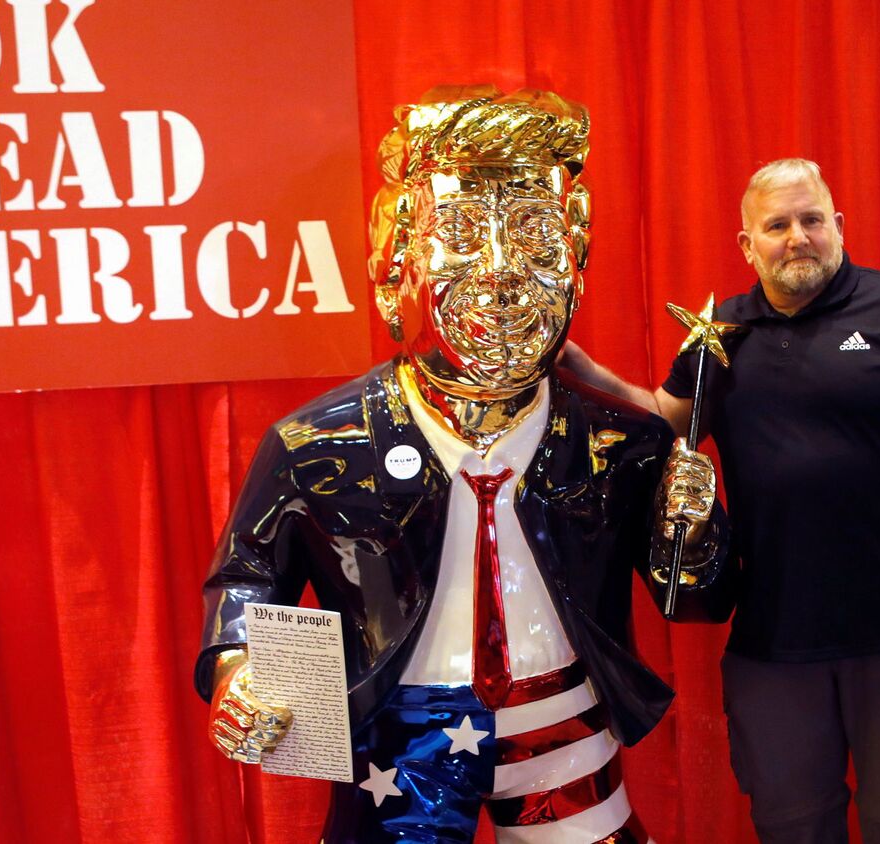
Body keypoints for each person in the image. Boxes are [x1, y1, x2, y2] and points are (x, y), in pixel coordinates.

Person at [196, 88, 732, 843]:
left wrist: (696, 533)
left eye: (538, 239)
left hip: (563, 726)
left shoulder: (623, 444)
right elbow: (247, 578)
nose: (503, 274)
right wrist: (240, 669)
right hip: (400, 737)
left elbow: (694, 601)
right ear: (393, 271)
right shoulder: (315, 446)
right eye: (461, 235)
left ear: (577, 265)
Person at [561, 158, 880, 844]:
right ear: (748, 245)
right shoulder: (721, 335)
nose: (797, 237)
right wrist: (586, 372)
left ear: (837, 227)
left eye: (811, 220)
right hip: (774, 638)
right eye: (776, 225)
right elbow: (665, 422)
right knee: (790, 830)